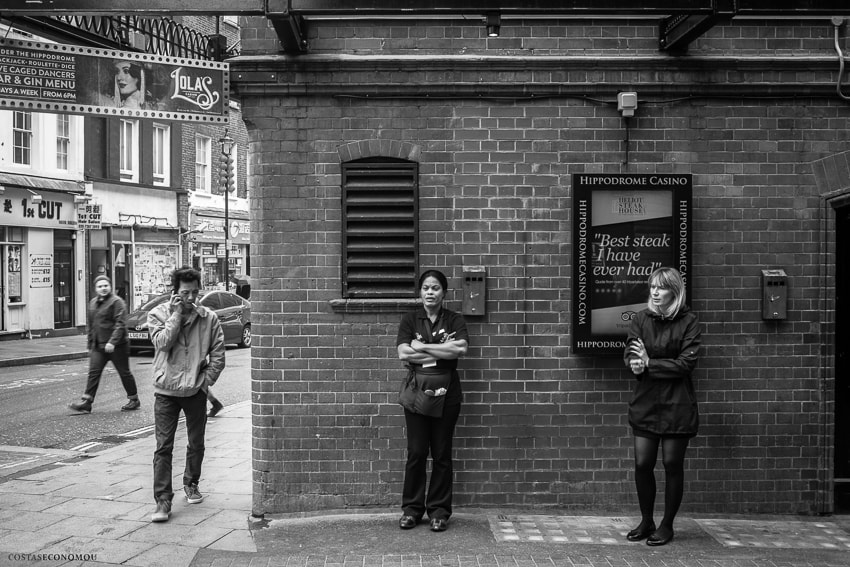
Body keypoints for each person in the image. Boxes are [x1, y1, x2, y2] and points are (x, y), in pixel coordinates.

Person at [623, 267, 701, 547]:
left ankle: (667, 525)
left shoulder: (689, 321)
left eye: (662, 288)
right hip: (647, 401)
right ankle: (647, 520)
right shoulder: (641, 319)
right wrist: (634, 362)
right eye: (652, 287)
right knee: (643, 463)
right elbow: (632, 352)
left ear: (675, 292)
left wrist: (650, 363)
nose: (655, 292)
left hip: (677, 404)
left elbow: (686, 364)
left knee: (671, 464)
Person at [147, 267, 225, 523]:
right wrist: (176, 314)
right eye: (185, 293)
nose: (191, 298)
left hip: (195, 390)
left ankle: (191, 483)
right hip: (165, 391)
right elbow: (162, 343)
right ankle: (162, 501)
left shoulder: (209, 318)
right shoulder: (157, 314)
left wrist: (205, 382)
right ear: (174, 292)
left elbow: (218, 355)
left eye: (194, 292)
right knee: (163, 447)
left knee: (196, 442)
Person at [396, 270, 469, 532]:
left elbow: (459, 349)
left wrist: (421, 346)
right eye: (426, 288)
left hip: (447, 395)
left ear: (444, 292)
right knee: (416, 452)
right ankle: (412, 510)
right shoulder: (409, 319)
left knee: (441, 454)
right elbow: (403, 353)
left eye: (435, 288)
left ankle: (439, 511)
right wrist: (438, 350)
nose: (430, 292)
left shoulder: (454, 319)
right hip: (416, 393)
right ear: (420, 292)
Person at [68, 275, 140, 413]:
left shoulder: (117, 302)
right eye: (100, 286)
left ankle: (134, 399)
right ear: (96, 289)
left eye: (105, 285)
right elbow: (91, 325)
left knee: (124, 373)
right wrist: (90, 344)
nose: (103, 288)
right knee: (93, 373)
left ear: (110, 287)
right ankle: (87, 402)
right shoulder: (93, 303)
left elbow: (120, 324)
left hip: (117, 346)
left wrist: (112, 342)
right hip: (98, 346)